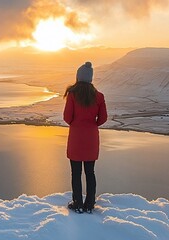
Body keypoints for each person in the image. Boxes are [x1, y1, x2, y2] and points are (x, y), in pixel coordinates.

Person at [63, 61, 108, 214]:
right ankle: (90, 203)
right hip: (91, 140)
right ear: (90, 78)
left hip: (76, 139)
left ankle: (77, 203)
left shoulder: (72, 94)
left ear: (78, 77)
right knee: (90, 172)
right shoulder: (99, 96)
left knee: (75, 173)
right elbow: (102, 119)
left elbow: (67, 117)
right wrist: (91, 124)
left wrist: (77, 123)